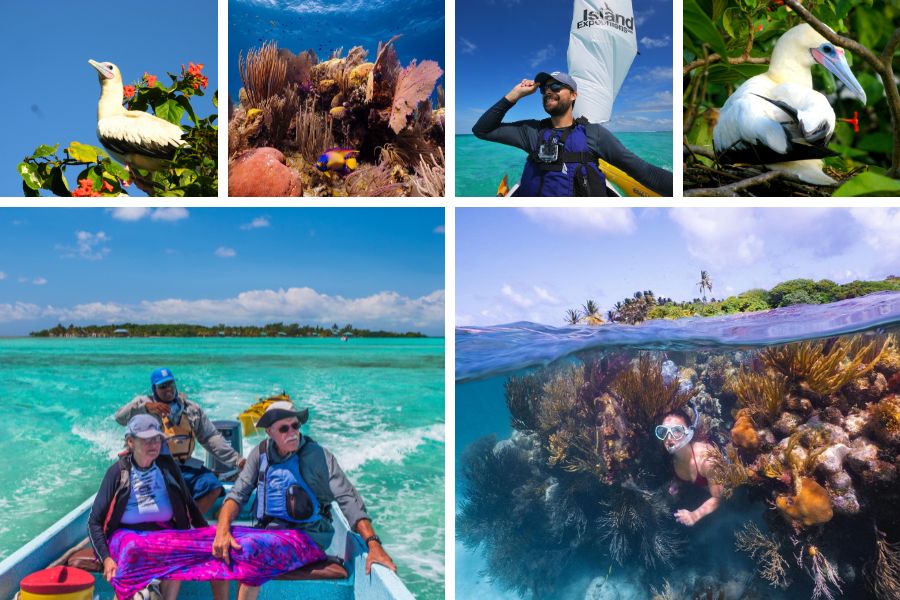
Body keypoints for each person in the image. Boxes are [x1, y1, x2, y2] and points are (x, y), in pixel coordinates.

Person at [212, 401, 397, 600]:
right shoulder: (261, 453)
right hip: (270, 535)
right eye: (284, 428)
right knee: (218, 550)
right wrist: (222, 532)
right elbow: (236, 496)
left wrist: (373, 543)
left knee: (253, 558)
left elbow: (348, 499)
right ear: (269, 432)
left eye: (296, 426)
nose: (292, 432)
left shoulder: (317, 456)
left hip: (309, 537)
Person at [472, 71, 673, 197]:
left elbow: (644, 171)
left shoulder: (594, 135)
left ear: (574, 95)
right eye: (544, 89)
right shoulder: (532, 132)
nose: (548, 91)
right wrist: (514, 95)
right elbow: (482, 130)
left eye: (556, 86)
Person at [88, 415, 208, 600]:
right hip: (127, 536)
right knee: (134, 548)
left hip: (163, 533)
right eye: (146, 440)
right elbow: (94, 522)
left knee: (179, 548)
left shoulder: (168, 467)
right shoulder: (117, 472)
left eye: (157, 439)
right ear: (131, 442)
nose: (154, 444)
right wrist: (106, 559)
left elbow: (190, 505)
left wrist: (209, 537)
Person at [115, 368, 245, 515]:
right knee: (171, 493)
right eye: (162, 386)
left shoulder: (191, 409)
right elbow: (120, 417)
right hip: (157, 466)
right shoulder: (144, 404)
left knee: (213, 486)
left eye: (170, 384)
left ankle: (190, 525)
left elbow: (210, 438)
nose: (168, 389)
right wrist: (145, 407)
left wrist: (237, 460)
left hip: (185, 465)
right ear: (154, 389)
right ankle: (173, 524)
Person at [655, 404, 723, 526]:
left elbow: (719, 497)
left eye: (677, 431)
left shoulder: (706, 460)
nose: (669, 437)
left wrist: (694, 515)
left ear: (689, 432)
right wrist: (677, 482)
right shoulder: (670, 458)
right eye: (663, 432)